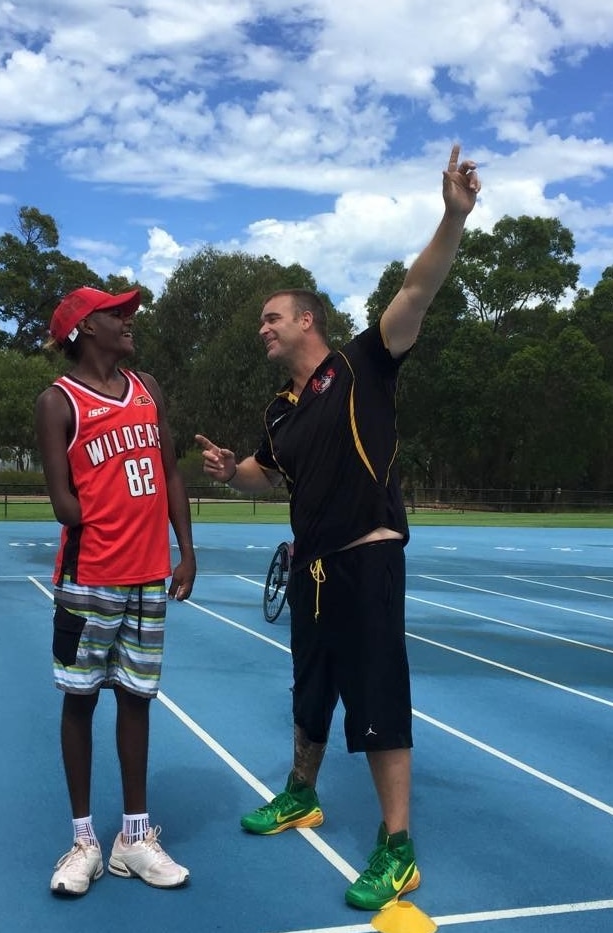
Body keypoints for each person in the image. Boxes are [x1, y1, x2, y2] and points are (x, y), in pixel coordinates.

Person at [195, 145, 480, 911]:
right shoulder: (279, 410)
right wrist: (232, 472)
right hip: (311, 568)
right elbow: (267, 473)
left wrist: (451, 215)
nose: (262, 328)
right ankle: (301, 792)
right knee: (310, 691)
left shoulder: (364, 362)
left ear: (306, 319)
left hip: (367, 560)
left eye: (270, 317)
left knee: (376, 698)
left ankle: (397, 846)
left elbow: (418, 289)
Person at [35, 285, 196, 897]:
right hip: (90, 578)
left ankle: (134, 837)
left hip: (150, 576)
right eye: (115, 313)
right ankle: (83, 841)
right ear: (84, 329)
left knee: (137, 698)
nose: (129, 319)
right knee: (80, 701)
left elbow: (170, 471)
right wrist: (112, 526)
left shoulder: (148, 387)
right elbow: (62, 502)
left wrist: (184, 549)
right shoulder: (58, 401)